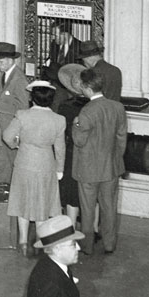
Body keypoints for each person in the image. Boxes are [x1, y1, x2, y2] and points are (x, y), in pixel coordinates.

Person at [3, 82, 66, 255]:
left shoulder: (22, 115)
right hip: (46, 164)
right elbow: (60, 148)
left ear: (32, 98)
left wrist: (17, 144)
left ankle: (23, 241)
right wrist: (60, 169)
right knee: (43, 202)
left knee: (22, 200)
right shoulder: (59, 120)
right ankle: (40, 240)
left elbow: (7, 136)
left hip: (24, 161)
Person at [73, 67, 127, 255]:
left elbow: (79, 141)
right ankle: (109, 244)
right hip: (111, 167)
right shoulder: (117, 107)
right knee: (109, 207)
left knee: (87, 210)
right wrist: (116, 159)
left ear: (87, 88)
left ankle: (87, 246)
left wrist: (75, 125)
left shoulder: (86, 111)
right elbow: (121, 139)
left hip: (88, 170)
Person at [52, 64, 88, 228]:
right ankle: (92, 228)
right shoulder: (95, 105)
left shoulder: (66, 106)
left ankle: (71, 227)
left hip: (72, 153)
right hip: (90, 154)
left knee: (71, 193)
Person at [0, 41, 28, 184]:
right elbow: (5, 96)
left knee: (11, 165)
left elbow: (23, 107)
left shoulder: (19, 79)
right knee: (1, 165)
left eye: (0, 61)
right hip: (4, 130)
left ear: (10, 60)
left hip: (12, 131)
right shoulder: (7, 76)